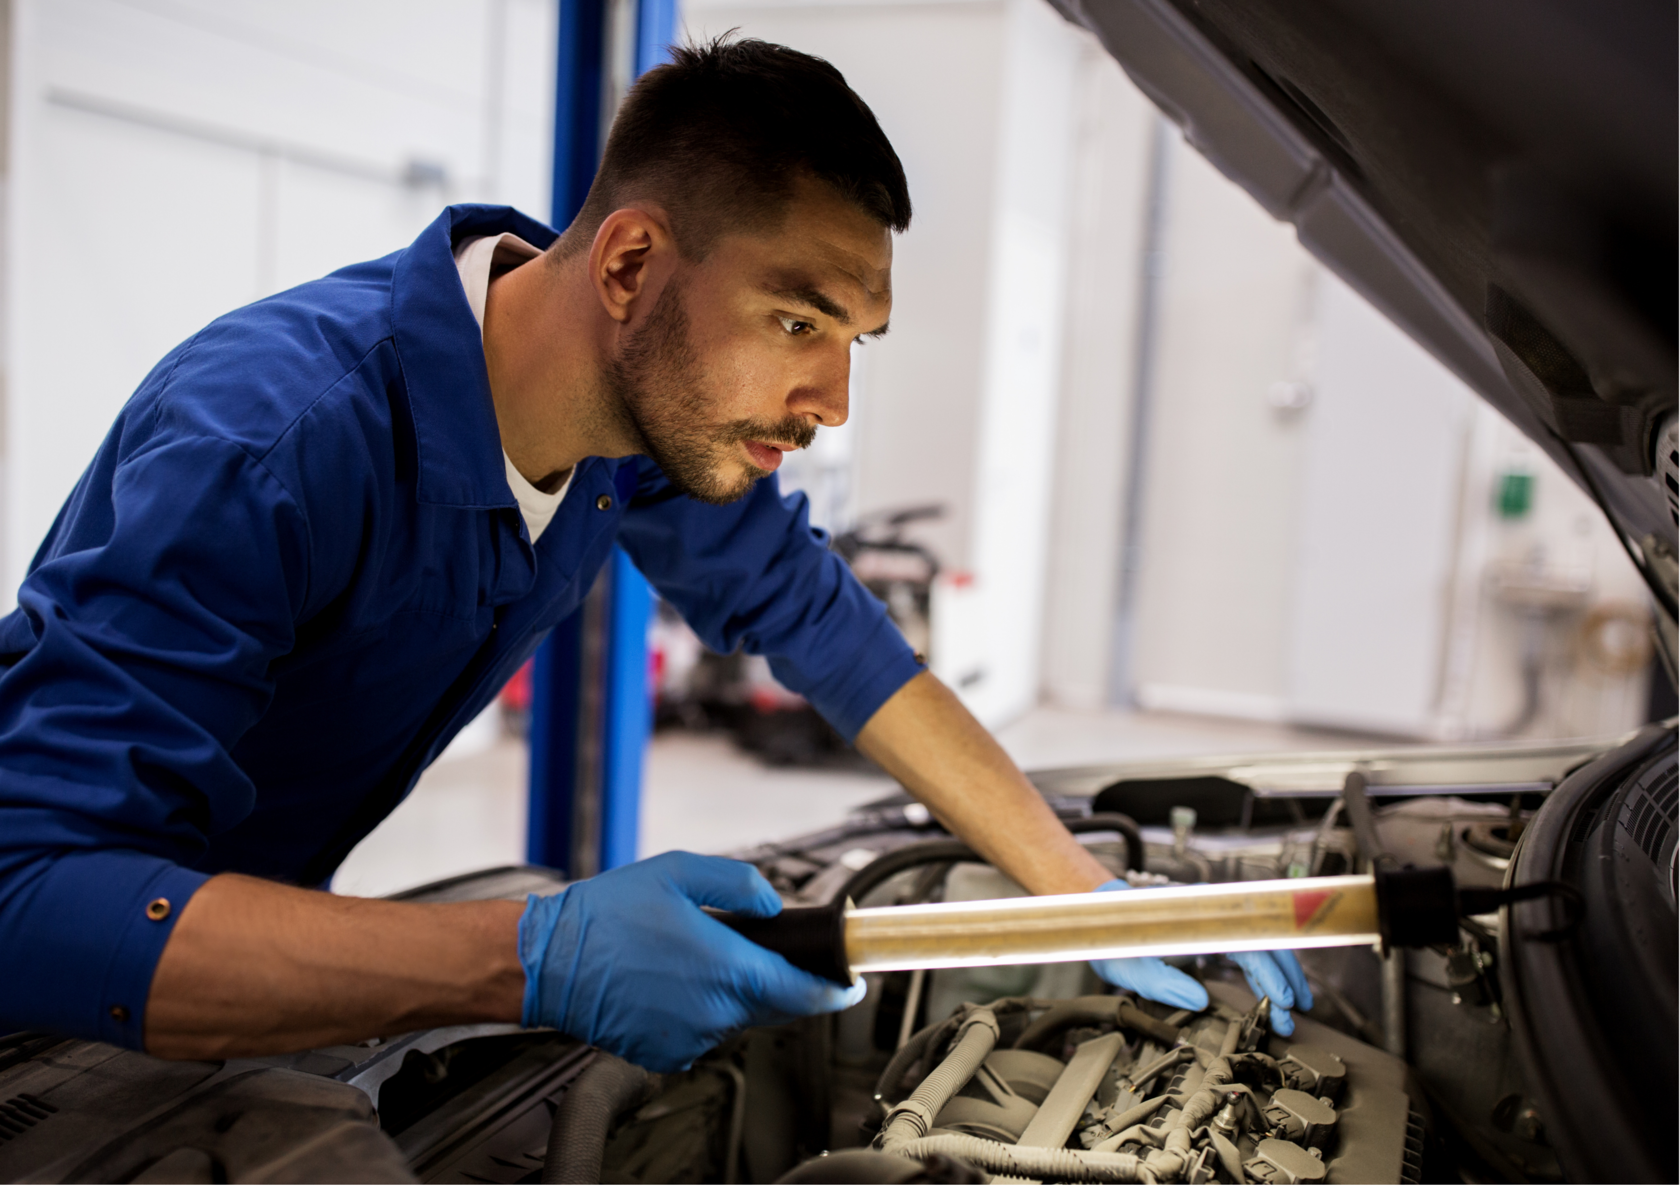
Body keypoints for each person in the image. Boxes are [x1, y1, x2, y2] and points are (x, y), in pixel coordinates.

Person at [0, 38, 1307, 1073]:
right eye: (796, 318)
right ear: (628, 263)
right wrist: (529, 957)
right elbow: (30, 896)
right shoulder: (271, 435)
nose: (832, 397)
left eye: (855, 336)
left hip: (240, 945)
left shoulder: (631, 435)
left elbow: (840, 642)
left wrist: (1081, 890)